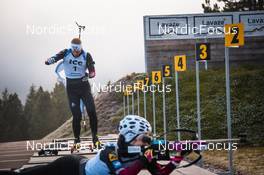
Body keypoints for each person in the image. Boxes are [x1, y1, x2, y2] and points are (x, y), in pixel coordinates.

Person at [2, 115, 183, 175]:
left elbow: (159, 173)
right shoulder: (110, 151)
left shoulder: (142, 152)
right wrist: (144, 159)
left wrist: (178, 158)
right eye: (145, 138)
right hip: (72, 167)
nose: (147, 142)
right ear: (130, 137)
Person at [44, 38, 99, 147]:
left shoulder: (86, 55)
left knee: (91, 111)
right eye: (74, 51)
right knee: (77, 115)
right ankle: (77, 139)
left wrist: (88, 75)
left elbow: (92, 71)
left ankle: (95, 137)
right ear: (71, 48)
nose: (76, 53)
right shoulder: (66, 52)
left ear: (80, 48)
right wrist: (50, 60)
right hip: (72, 88)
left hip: (84, 87)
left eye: (77, 51)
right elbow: (55, 57)